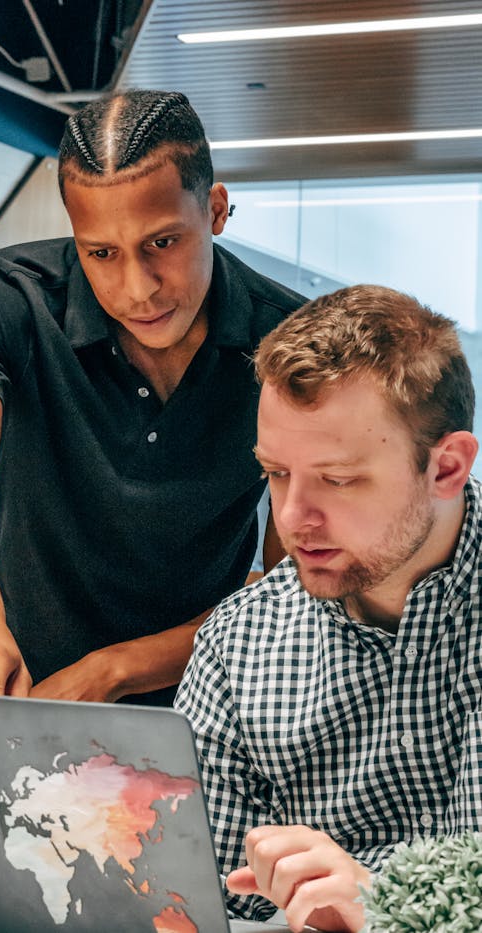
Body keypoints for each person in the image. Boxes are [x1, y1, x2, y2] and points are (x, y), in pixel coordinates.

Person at [0, 89, 303, 707]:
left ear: (216, 210)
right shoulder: (2, 297)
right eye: (102, 253)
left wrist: (111, 671)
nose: (137, 288)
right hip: (21, 691)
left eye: (162, 243)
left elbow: (293, 592)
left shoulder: (292, 340)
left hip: (213, 704)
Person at [175, 284, 481, 932]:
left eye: (338, 479)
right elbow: (194, 903)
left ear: (447, 466)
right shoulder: (238, 643)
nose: (290, 519)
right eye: (277, 472)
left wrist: (390, 906)